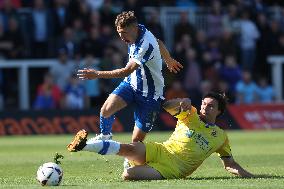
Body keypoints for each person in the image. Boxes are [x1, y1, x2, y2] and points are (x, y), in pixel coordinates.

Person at [67, 91, 254, 180]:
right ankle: (85, 146)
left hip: (172, 169)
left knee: (127, 175)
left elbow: (229, 164)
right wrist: (182, 101)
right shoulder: (191, 114)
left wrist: (249, 175)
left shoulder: (221, 137)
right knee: (131, 147)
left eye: (211, 105)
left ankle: (128, 162)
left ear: (219, 111)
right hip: (161, 150)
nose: (205, 107)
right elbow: (166, 106)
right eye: (204, 103)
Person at [77, 11, 182, 143]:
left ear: (134, 28)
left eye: (124, 33)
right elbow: (159, 42)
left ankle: (130, 159)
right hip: (132, 84)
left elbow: (126, 71)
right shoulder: (141, 29)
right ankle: (105, 138)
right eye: (119, 33)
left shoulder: (145, 44)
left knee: (136, 142)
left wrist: (97, 74)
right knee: (105, 110)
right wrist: (168, 59)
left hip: (150, 94)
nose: (122, 38)